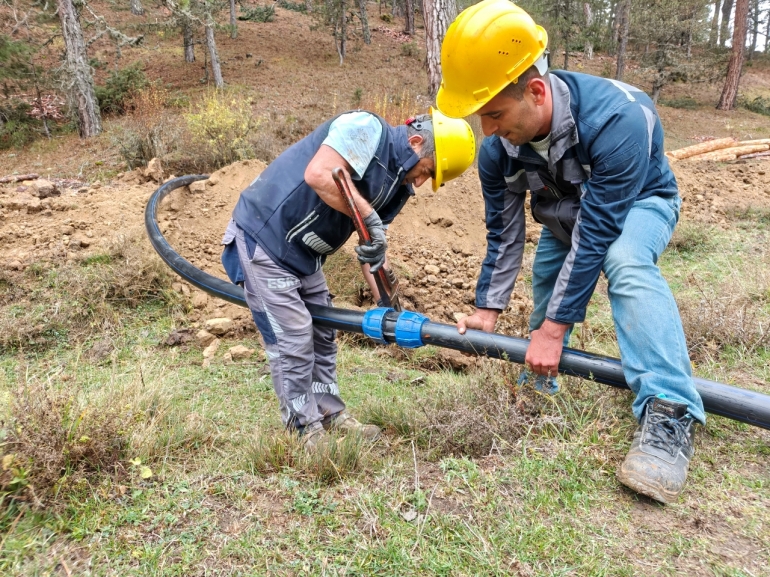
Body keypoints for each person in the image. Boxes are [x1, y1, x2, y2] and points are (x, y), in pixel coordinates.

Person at [436, 0, 705, 504]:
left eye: (493, 114)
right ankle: (540, 383)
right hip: (565, 212)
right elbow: (504, 233)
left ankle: (670, 413)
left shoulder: (620, 117)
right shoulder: (498, 152)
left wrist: (553, 330)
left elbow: (600, 230)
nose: (486, 131)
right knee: (546, 283)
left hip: (639, 204)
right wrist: (488, 309)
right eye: (480, 117)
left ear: (535, 91)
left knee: (624, 262)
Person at [221, 108, 475, 450]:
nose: (420, 183)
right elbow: (319, 174)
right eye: (426, 172)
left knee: (324, 334)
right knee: (294, 339)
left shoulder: (397, 187)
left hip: (305, 256)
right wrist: (368, 215)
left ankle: (329, 414)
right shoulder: (365, 128)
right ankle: (304, 430)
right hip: (265, 239)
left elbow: (371, 248)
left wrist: (386, 306)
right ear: (416, 142)